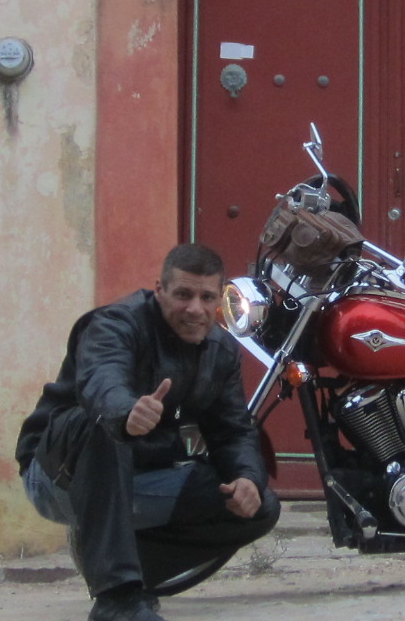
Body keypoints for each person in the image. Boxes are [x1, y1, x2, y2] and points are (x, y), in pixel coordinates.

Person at [16, 242, 279, 621]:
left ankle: (130, 573)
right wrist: (125, 413)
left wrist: (247, 478)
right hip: (59, 477)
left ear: (219, 300)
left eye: (207, 298)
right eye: (183, 295)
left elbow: (232, 431)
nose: (195, 309)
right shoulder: (113, 324)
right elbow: (101, 381)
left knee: (259, 507)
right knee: (101, 425)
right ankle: (116, 599)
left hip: (140, 478)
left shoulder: (221, 350)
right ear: (159, 290)